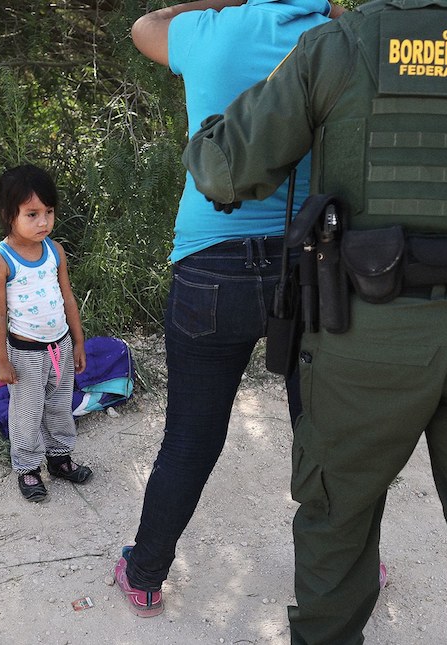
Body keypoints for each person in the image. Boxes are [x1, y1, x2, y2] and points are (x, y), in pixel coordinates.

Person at [181, 0, 447, 642]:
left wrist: (208, 128)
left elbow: (228, 170)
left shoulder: (338, 45)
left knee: (337, 521)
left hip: (367, 327)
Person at [115, 0, 338, 617]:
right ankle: (346, 569)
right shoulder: (337, 37)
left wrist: (224, 5)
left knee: (190, 435)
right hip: (311, 263)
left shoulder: (206, 33)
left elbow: (142, 27)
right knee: (325, 434)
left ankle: (146, 572)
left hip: (211, 259)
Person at [0, 164, 91, 502]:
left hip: (59, 346)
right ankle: (28, 468)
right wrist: (3, 361)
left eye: (49, 212)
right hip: (25, 354)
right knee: (26, 413)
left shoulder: (54, 251)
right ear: (8, 214)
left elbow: (67, 297)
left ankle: (59, 458)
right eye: (32, 214)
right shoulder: (1, 261)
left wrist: (77, 341)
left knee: (60, 406)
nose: (43, 221)